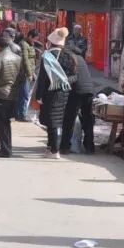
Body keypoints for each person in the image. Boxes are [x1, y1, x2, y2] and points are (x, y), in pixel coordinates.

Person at [35, 27, 77, 160]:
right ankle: (51, 147)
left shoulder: (47, 56)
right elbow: (75, 76)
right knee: (58, 120)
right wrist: (64, 81)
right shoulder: (70, 56)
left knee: (51, 121)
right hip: (64, 92)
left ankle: (54, 150)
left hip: (49, 92)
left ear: (50, 42)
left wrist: (39, 96)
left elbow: (42, 79)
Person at [0, 34, 23, 157]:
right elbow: (21, 78)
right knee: (6, 123)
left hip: (0, 95)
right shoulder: (18, 58)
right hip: (13, 95)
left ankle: (5, 149)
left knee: (0, 124)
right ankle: (6, 148)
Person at [61, 38, 95, 155]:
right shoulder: (81, 58)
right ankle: (90, 147)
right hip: (89, 90)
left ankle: (64, 146)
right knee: (88, 120)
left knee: (69, 120)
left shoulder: (69, 58)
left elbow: (68, 77)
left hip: (76, 91)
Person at [16, 29, 38, 122]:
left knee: (24, 94)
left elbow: (31, 60)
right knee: (24, 95)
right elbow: (25, 60)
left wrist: (33, 73)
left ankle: (20, 114)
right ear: (30, 36)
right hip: (24, 74)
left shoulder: (30, 44)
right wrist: (29, 73)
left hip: (29, 72)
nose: (35, 41)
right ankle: (22, 115)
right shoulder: (24, 44)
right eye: (34, 39)